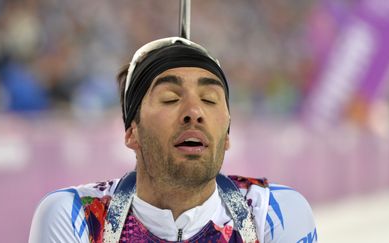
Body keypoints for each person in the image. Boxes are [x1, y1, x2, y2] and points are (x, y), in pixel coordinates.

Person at [29, 37, 317, 243]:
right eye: (170, 98)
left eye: (209, 99)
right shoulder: (77, 216)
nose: (194, 112)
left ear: (227, 134)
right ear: (132, 132)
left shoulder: (271, 212)